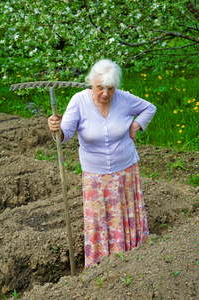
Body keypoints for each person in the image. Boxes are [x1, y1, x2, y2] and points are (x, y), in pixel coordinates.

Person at [48, 59, 156, 267]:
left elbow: (149, 108)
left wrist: (136, 125)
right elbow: (65, 134)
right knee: (100, 220)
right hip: (96, 178)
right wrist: (56, 129)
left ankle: (133, 255)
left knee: (126, 213)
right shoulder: (79, 101)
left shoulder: (124, 99)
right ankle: (102, 264)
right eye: (100, 88)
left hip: (125, 171)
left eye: (110, 88)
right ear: (91, 83)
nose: (105, 94)